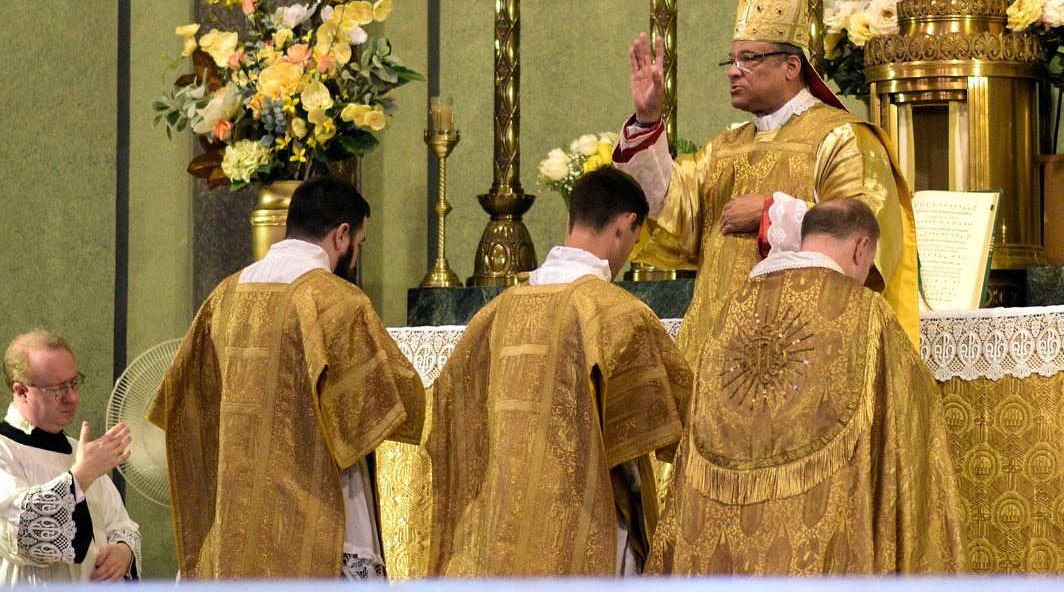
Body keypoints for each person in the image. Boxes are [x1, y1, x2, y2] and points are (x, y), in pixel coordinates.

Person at [615, 0, 920, 360]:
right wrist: (647, 119)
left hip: (800, 355)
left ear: (792, 66)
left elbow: (868, 243)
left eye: (749, 58)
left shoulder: (842, 138)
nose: (733, 70)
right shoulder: (723, 149)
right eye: (732, 59)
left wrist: (771, 213)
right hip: (716, 354)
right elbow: (672, 217)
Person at [648, 199, 966, 574]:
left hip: (723, 539)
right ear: (861, 248)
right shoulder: (866, 311)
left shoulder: (729, 309)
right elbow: (911, 417)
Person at [148, 175, 425, 579]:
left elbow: (186, 396)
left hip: (237, 512)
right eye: (359, 245)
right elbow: (384, 401)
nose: (356, 256)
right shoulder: (336, 299)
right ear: (342, 235)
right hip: (319, 508)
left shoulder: (223, 296)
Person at [428, 166, 693, 577]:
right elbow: (683, 419)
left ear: (571, 221)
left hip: (503, 533)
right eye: (636, 242)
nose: (628, 256)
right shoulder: (618, 314)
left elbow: (449, 409)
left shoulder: (495, 313)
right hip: (586, 530)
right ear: (626, 226)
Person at [0, 329, 141, 583]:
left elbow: (121, 525)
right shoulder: (5, 451)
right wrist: (81, 476)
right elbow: (22, 535)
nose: (72, 397)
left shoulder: (82, 452)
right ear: (21, 391)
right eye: (57, 390)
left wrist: (123, 551)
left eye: (74, 383)